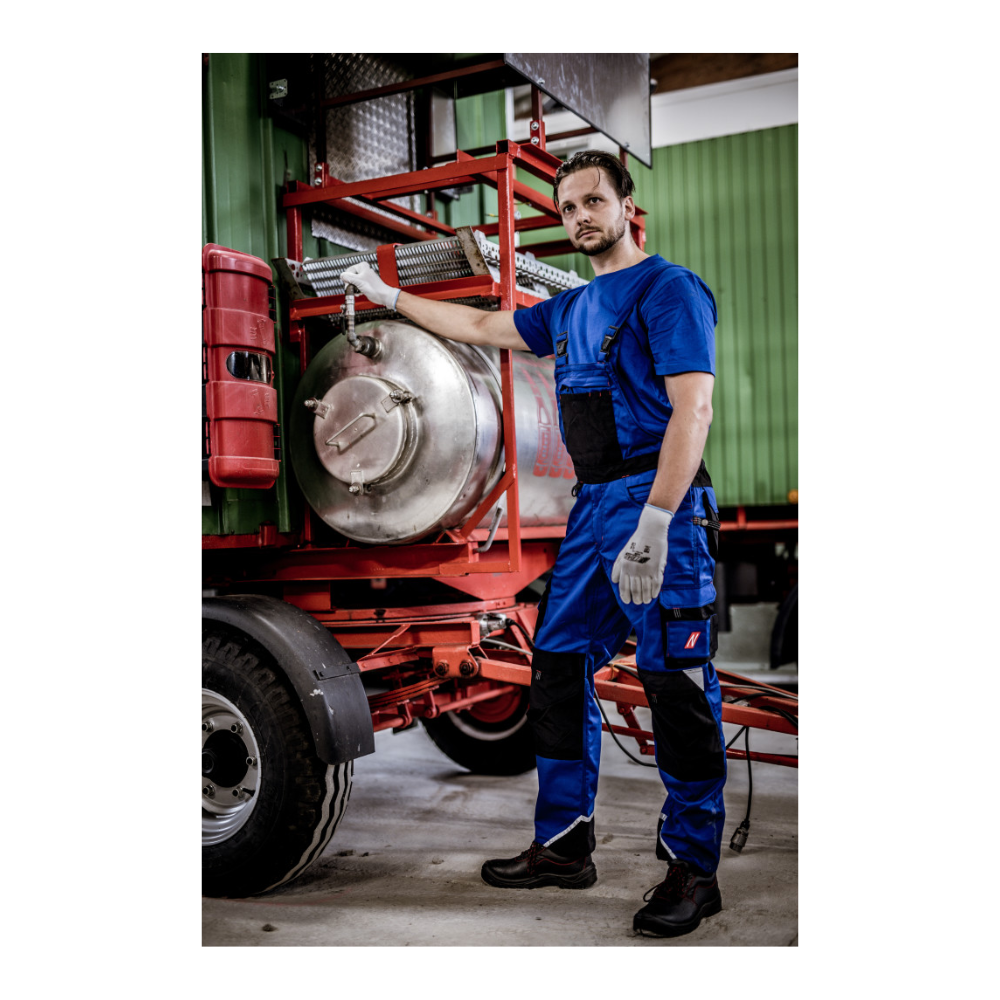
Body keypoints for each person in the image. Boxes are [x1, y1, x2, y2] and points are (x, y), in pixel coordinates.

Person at [340, 149, 725, 939]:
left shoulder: (669, 290)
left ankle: (693, 868)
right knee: (556, 663)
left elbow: (694, 412)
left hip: (661, 504)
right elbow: (482, 325)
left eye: (592, 201)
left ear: (625, 205)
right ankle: (563, 843)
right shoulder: (576, 307)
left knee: (675, 683)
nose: (579, 217)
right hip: (592, 511)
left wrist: (656, 521)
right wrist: (390, 296)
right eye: (567, 208)